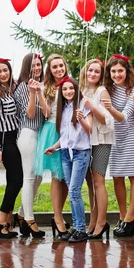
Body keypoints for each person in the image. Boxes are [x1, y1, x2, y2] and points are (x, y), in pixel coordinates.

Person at [103, 54, 134, 237]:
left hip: (132, 135)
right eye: (113, 71)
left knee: (133, 175)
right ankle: (122, 216)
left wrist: (108, 108)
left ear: (127, 71)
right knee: (117, 176)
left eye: (120, 70)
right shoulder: (108, 90)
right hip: (115, 137)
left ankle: (130, 217)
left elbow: (123, 117)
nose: (116, 74)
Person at [45, 77, 93, 243]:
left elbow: (89, 130)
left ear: (76, 89)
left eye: (71, 88)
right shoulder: (63, 109)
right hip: (65, 152)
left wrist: (81, 119)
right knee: (72, 191)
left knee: (74, 191)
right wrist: (54, 146)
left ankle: (81, 229)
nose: (68, 92)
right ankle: (77, 226)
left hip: (81, 153)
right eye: (65, 89)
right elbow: (65, 135)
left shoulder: (83, 107)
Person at [34, 54, 70, 238]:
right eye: (54, 67)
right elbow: (47, 113)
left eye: (61, 66)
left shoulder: (70, 84)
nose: (58, 69)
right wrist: (40, 94)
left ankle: (60, 216)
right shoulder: (46, 87)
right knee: (57, 176)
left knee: (64, 178)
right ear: (50, 69)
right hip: (53, 131)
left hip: (68, 131)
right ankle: (57, 218)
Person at [13, 53, 48, 238]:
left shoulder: (41, 85)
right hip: (28, 133)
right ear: (27, 67)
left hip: (40, 135)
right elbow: (32, 115)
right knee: (29, 177)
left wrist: (39, 92)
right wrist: (33, 92)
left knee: (39, 177)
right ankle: (29, 219)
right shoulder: (23, 87)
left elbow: (47, 113)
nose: (37, 68)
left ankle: (20, 214)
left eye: (39, 64)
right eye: (33, 65)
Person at [79, 58, 114, 240]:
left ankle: (101, 222)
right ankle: (92, 221)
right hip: (86, 141)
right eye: (90, 70)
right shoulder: (83, 90)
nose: (92, 74)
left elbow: (107, 121)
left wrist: (92, 106)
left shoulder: (102, 92)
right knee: (90, 183)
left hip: (101, 140)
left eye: (96, 71)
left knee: (98, 181)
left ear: (101, 75)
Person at [0, 58, 22, 239]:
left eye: (5, 70)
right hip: (5, 139)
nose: (2, 74)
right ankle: (1, 220)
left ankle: (7, 223)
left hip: (17, 137)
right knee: (17, 180)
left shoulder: (13, 89)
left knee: (12, 181)